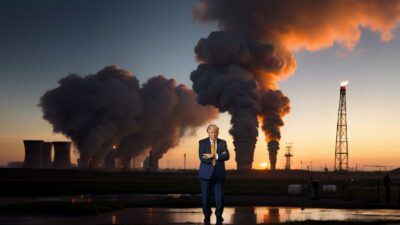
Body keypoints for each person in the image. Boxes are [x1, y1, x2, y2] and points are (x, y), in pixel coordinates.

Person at [198, 124, 230, 225]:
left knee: (219, 197)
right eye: (211, 132)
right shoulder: (202, 143)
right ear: (208, 132)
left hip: (219, 174)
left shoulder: (222, 142)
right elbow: (202, 158)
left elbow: (227, 156)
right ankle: (207, 215)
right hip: (205, 174)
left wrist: (213, 155)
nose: (214, 134)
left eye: (215, 132)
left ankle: (219, 215)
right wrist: (218, 156)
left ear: (218, 133)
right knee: (206, 197)